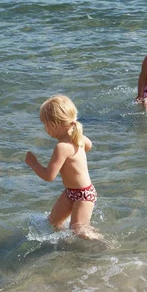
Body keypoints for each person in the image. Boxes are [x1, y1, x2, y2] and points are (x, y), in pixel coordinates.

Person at [25, 95, 102, 240]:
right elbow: (88, 146)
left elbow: (49, 176)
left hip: (84, 195)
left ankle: (102, 244)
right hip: (71, 192)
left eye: (45, 124)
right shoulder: (78, 138)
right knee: (53, 222)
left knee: (79, 230)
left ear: (53, 125)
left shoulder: (62, 147)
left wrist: (33, 163)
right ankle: (64, 247)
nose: (45, 128)